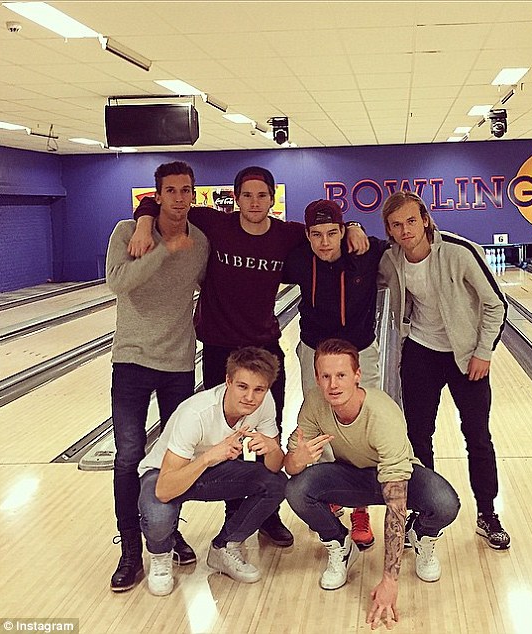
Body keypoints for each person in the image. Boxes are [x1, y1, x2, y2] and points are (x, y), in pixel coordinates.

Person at [130, 166, 368, 547]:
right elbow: (163, 204)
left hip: (264, 348)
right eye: (247, 195)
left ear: (271, 200)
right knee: (226, 437)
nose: (254, 203)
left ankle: (268, 514)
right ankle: (234, 514)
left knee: (264, 433)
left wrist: (353, 224)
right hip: (221, 348)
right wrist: (143, 223)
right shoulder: (215, 223)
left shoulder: (285, 234)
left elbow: (326, 226)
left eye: (262, 196)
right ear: (236, 197)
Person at [284, 339, 460, 630]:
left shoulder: (382, 414)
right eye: (325, 376)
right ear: (316, 378)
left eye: (341, 375)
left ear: (357, 375)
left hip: (399, 477)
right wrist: (298, 459)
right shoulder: (315, 403)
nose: (333, 384)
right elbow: (291, 466)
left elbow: (396, 500)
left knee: (445, 503)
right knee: (297, 489)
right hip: (351, 477)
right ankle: (340, 543)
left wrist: (390, 579)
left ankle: (421, 536)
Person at [378, 190, 510, 550]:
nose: (405, 230)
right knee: (418, 437)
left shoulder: (458, 251)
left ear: (424, 219)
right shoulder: (391, 259)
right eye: (396, 225)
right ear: (389, 230)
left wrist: (484, 352)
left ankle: (487, 513)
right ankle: (426, 511)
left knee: (477, 436)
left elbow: (496, 304)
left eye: (410, 220)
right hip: (421, 351)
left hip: (466, 356)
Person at [105, 161, 209, 592]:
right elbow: (118, 282)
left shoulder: (201, 242)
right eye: (171, 190)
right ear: (157, 194)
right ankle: (131, 548)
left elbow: (209, 286)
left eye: (186, 190)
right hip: (131, 359)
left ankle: (167, 532)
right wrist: (162, 246)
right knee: (129, 457)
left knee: (176, 456)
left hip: (178, 363)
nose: (180, 198)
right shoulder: (128, 233)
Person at [283, 199, 390, 549]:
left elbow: (414, 244)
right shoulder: (298, 258)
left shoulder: (367, 251)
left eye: (332, 233)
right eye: (316, 234)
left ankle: (361, 506)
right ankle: (331, 492)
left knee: (364, 425)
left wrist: (358, 225)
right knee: (318, 420)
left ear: (344, 231)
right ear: (307, 235)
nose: (325, 242)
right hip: (314, 351)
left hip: (360, 351)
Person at [137, 347, 287, 595]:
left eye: (259, 389)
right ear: (228, 381)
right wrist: (208, 457)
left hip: (214, 472)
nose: (250, 397)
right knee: (158, 515)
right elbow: (164, 490)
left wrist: (272, 448)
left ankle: (225, 547)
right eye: (242, 386)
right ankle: (161, 554)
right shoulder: (195, 414)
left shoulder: (265, 403)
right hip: (164, 474)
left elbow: (273, 467)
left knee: (276, 483)